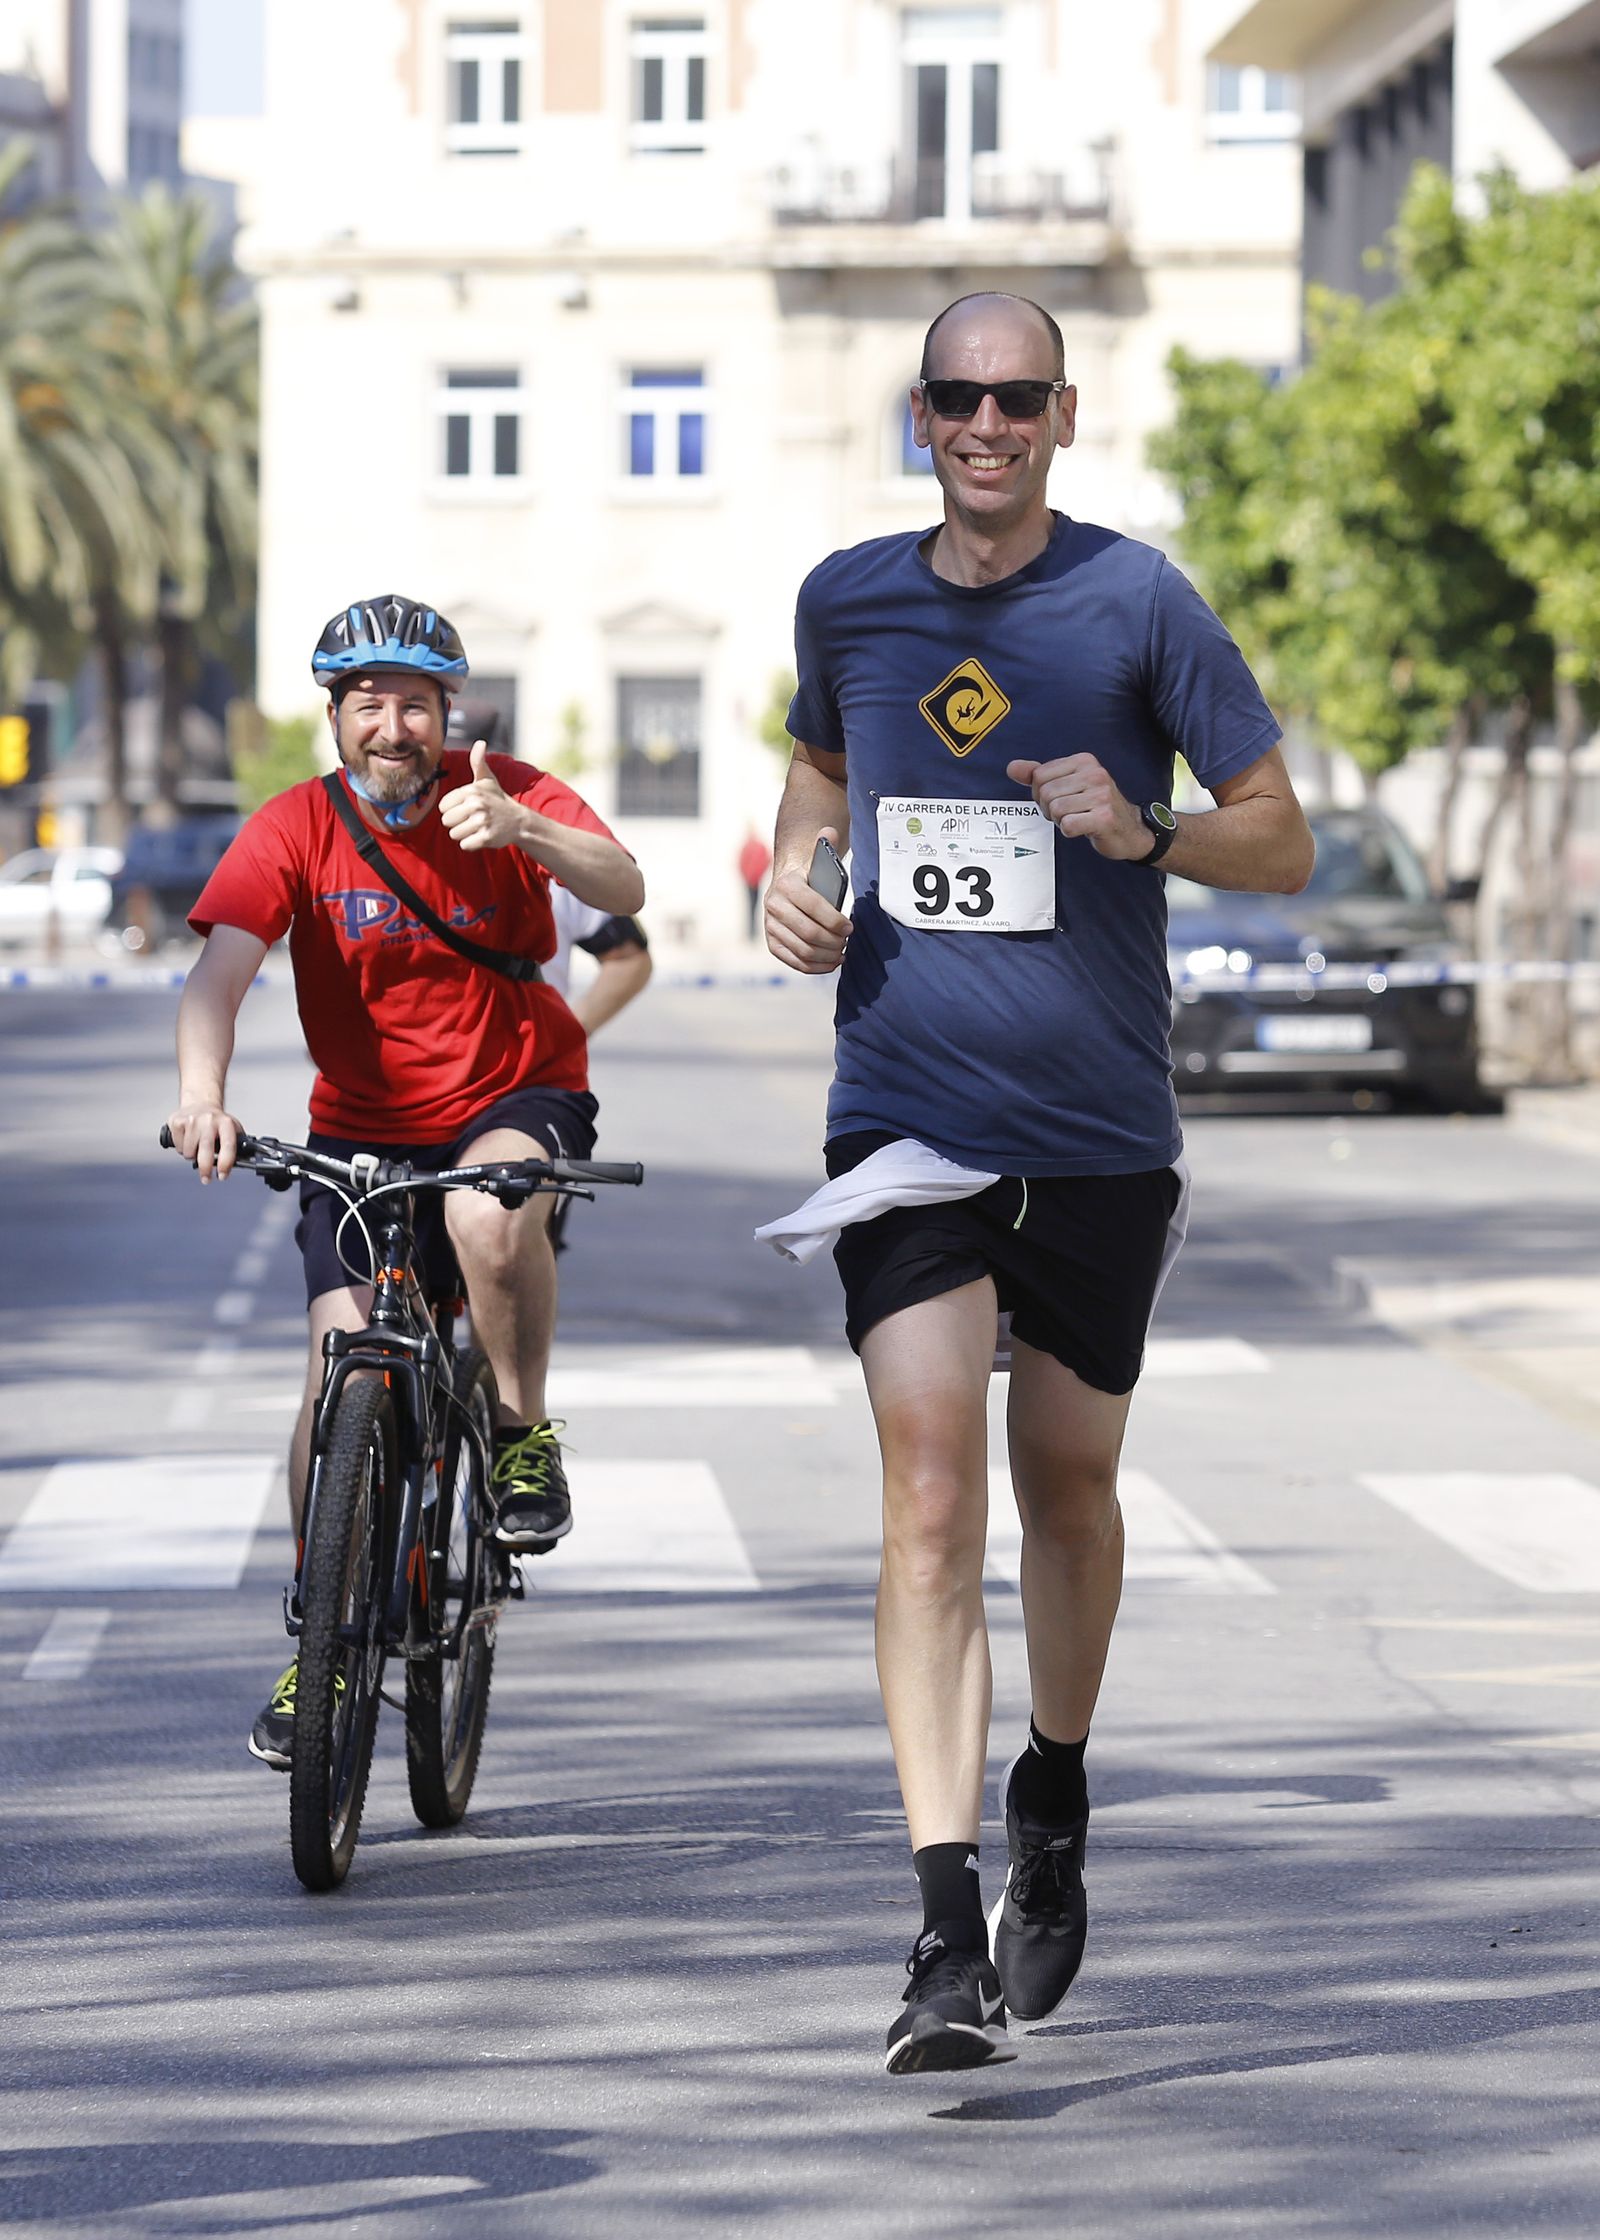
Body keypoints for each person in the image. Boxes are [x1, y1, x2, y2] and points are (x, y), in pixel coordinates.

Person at [761, 294, 1313, 2075]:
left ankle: (1053, 1794)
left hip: (1095, 1133)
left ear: (1064, 415)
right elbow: (820, 781)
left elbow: (1281, 836)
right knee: (929, 1495)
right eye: (957, 397)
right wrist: (794, 883)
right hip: (906, 1117)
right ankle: (939, 1931)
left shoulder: (1139, 600)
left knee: (1066, 1492)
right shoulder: (848, 595)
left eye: (1019, 397)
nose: (985, 423)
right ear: (919, 413)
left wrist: (1144, 826)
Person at [163, 595, 645, 1768]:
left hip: (514, 1093)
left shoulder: (506, 790)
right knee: (335, 1372)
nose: (394, 726)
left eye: (416, 704)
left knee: (490, 1213)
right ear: (335, 717)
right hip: (362, 1135)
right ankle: (320, 1632)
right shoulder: (293, 828)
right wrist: (203, 1093)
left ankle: (522, 1432)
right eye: (369, 703)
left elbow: (624, 892)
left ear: (450, 713)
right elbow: (218, 976)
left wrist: (528, 831)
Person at [541, 884, 652, 1254]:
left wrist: (564, 1035)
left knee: (505, 1242)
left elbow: (629, 956)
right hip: (391, 1085)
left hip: (525, 1085)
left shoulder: (547, 851)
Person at [737, 829, 772, 941]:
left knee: (753, 906)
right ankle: (751, 932)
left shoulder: (754, 847)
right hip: (752, 880)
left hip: (755, 880)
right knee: (752, 906)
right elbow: (741, 863)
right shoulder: (749, 847)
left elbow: (766, 860)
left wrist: (758, 875)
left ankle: (753, 931)